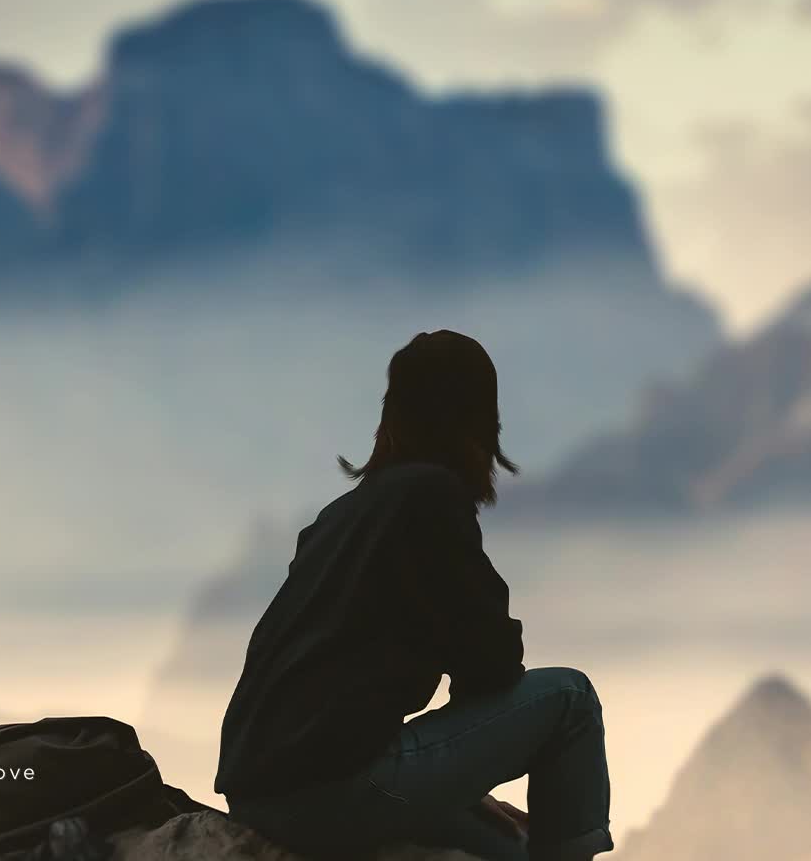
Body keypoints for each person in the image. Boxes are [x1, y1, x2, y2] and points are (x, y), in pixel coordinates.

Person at [215, 330, 613, 861]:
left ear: (393, 415)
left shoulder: (340, 518)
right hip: (338, 786)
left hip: (261, 797)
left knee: (510, 848)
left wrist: (465, 791)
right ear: (479, 419)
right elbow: (493, 663)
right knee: (571, 699)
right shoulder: (430, 497)